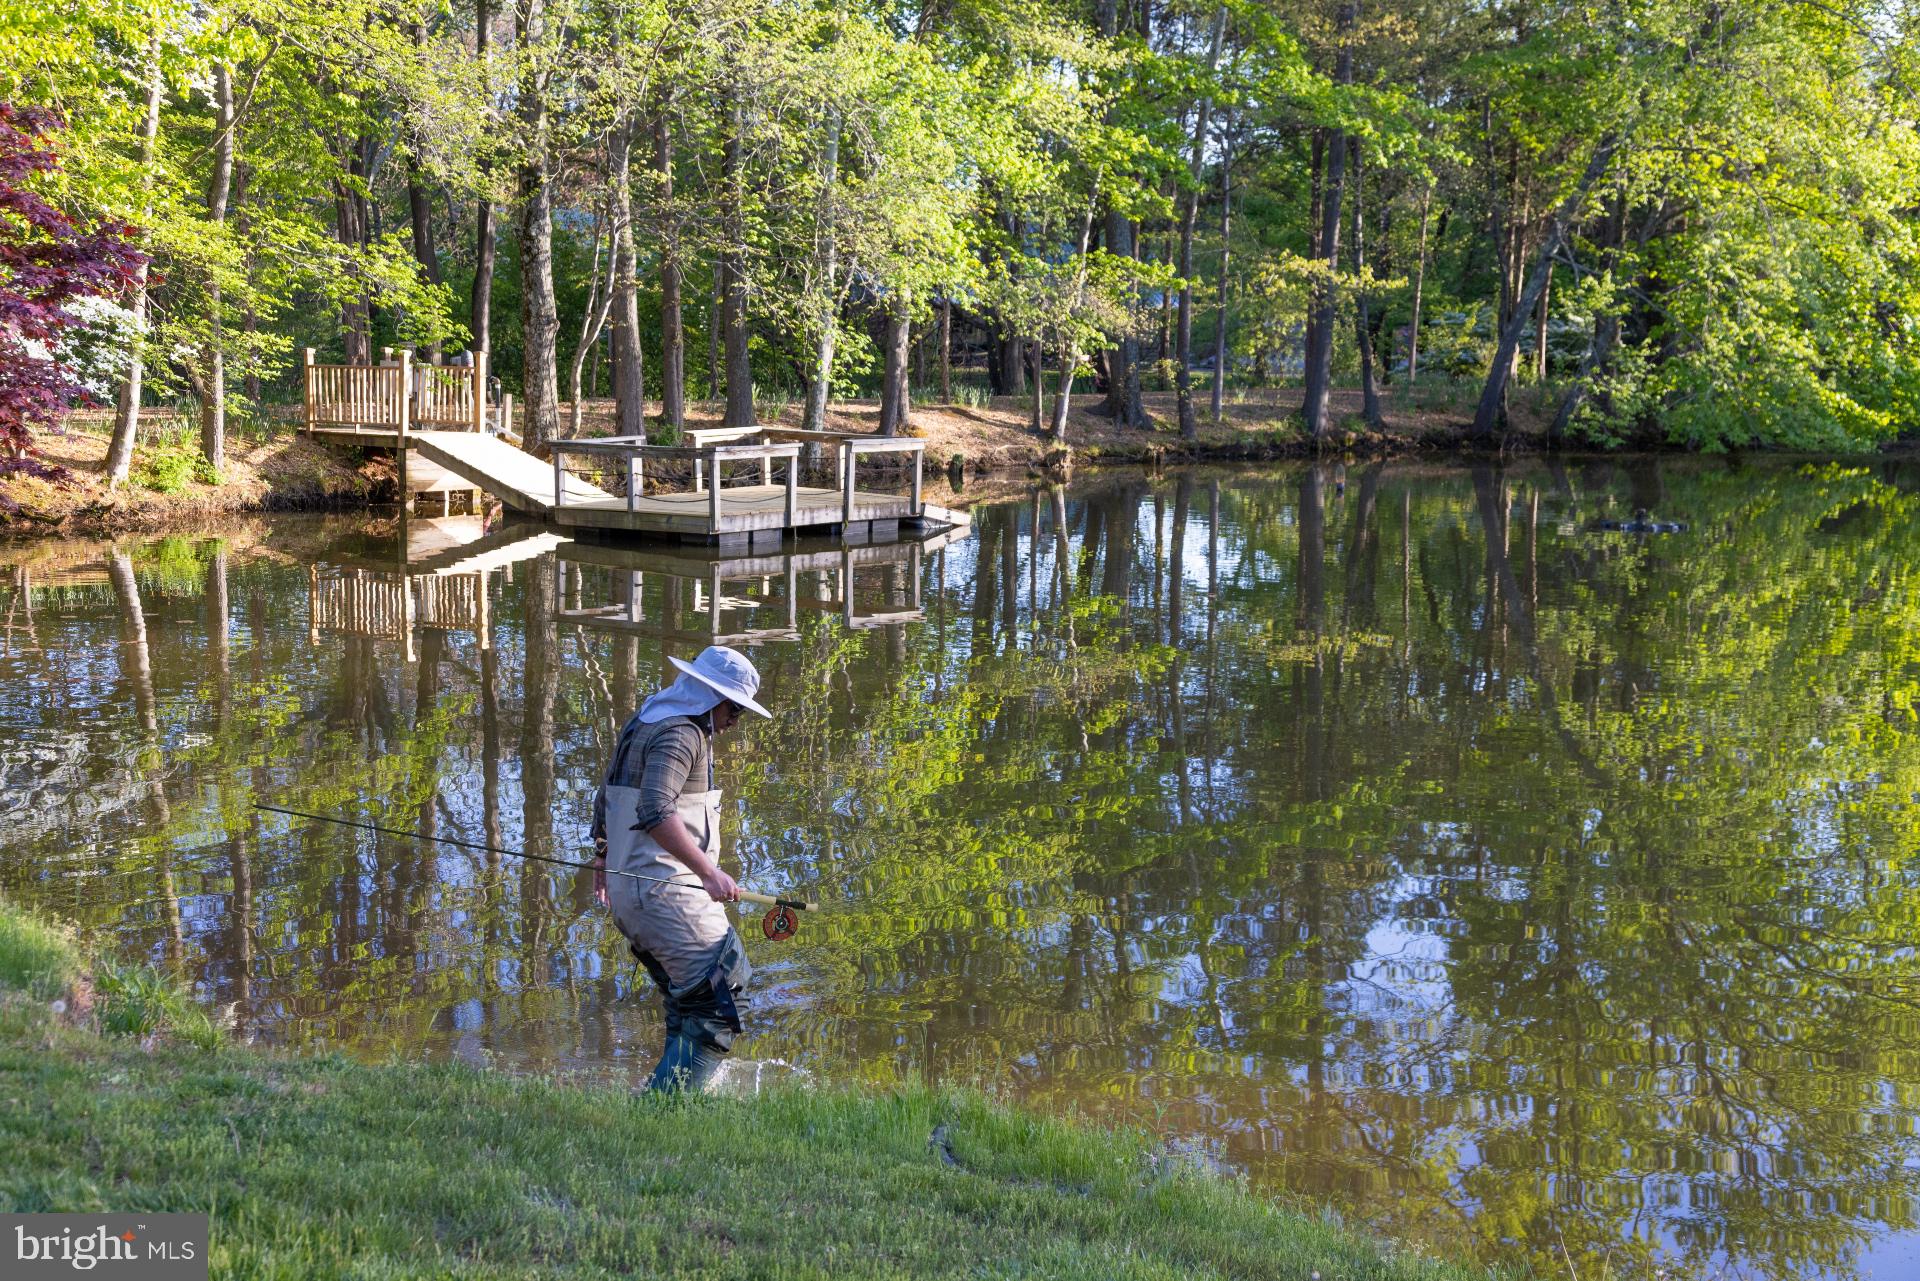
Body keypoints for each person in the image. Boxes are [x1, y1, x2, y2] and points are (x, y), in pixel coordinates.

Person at [591, 645, 772, 1092]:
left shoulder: (647, 720)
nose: (735, 721)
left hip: (632, 890)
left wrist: (602, 856)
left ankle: (673, 1099)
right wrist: (709, 873)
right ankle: (663, 1107)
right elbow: (654, 808)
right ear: (712, 697)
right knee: (723, 999)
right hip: (667, 893)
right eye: (735, 709)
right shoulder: (683, 734)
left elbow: (608, 792)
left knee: (690, 1001)